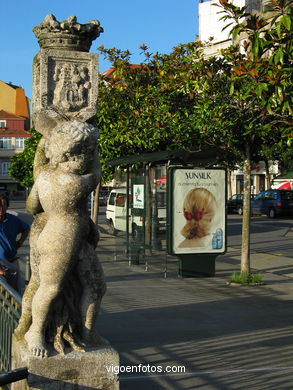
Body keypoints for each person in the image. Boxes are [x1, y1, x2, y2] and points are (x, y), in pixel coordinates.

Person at [0, 194, 30, 288]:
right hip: (1, 263)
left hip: (11, 260)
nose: (1, 208)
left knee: (14, 290)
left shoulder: (12, 219)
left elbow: (26, 228)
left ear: (7, 206)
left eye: (4, 204)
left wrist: (20, 242)